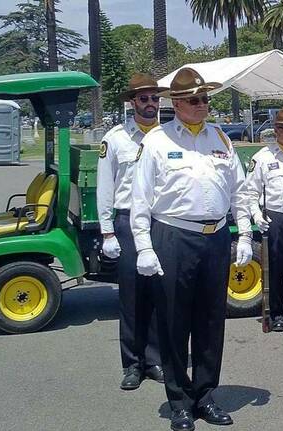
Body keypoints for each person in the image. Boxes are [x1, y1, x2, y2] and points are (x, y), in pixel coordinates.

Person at [130, 67, 254, 431]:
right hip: (173, 236)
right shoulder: (157, 141)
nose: (202, 106)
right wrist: (143, 247)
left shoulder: (221, 138)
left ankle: (204, 394)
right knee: (173, 320)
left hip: (215, 237)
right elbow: (140, 199)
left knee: (211, 321)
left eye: (205, 99)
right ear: (178, 104)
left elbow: (239, 190)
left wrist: (244, 233)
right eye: (195, 100)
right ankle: (178, 400)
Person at [97, 73, 167, 391]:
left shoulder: (168, 137)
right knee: (133, 296)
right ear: (132, 102)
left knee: (161, 294)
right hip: (127, 223)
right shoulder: (115, 139)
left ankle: (155, 359)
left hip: (161, 222)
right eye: (143, 98)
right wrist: (107, 232)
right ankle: (133, 364)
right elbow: (105, 188)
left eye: (154, 98)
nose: (150, 103)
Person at [244, 108, 283, 332]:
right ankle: (278, 312)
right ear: (275, 130)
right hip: (276, 216)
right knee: (277, 267)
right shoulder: (263, 158)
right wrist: (257, 214)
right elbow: (251, 192)